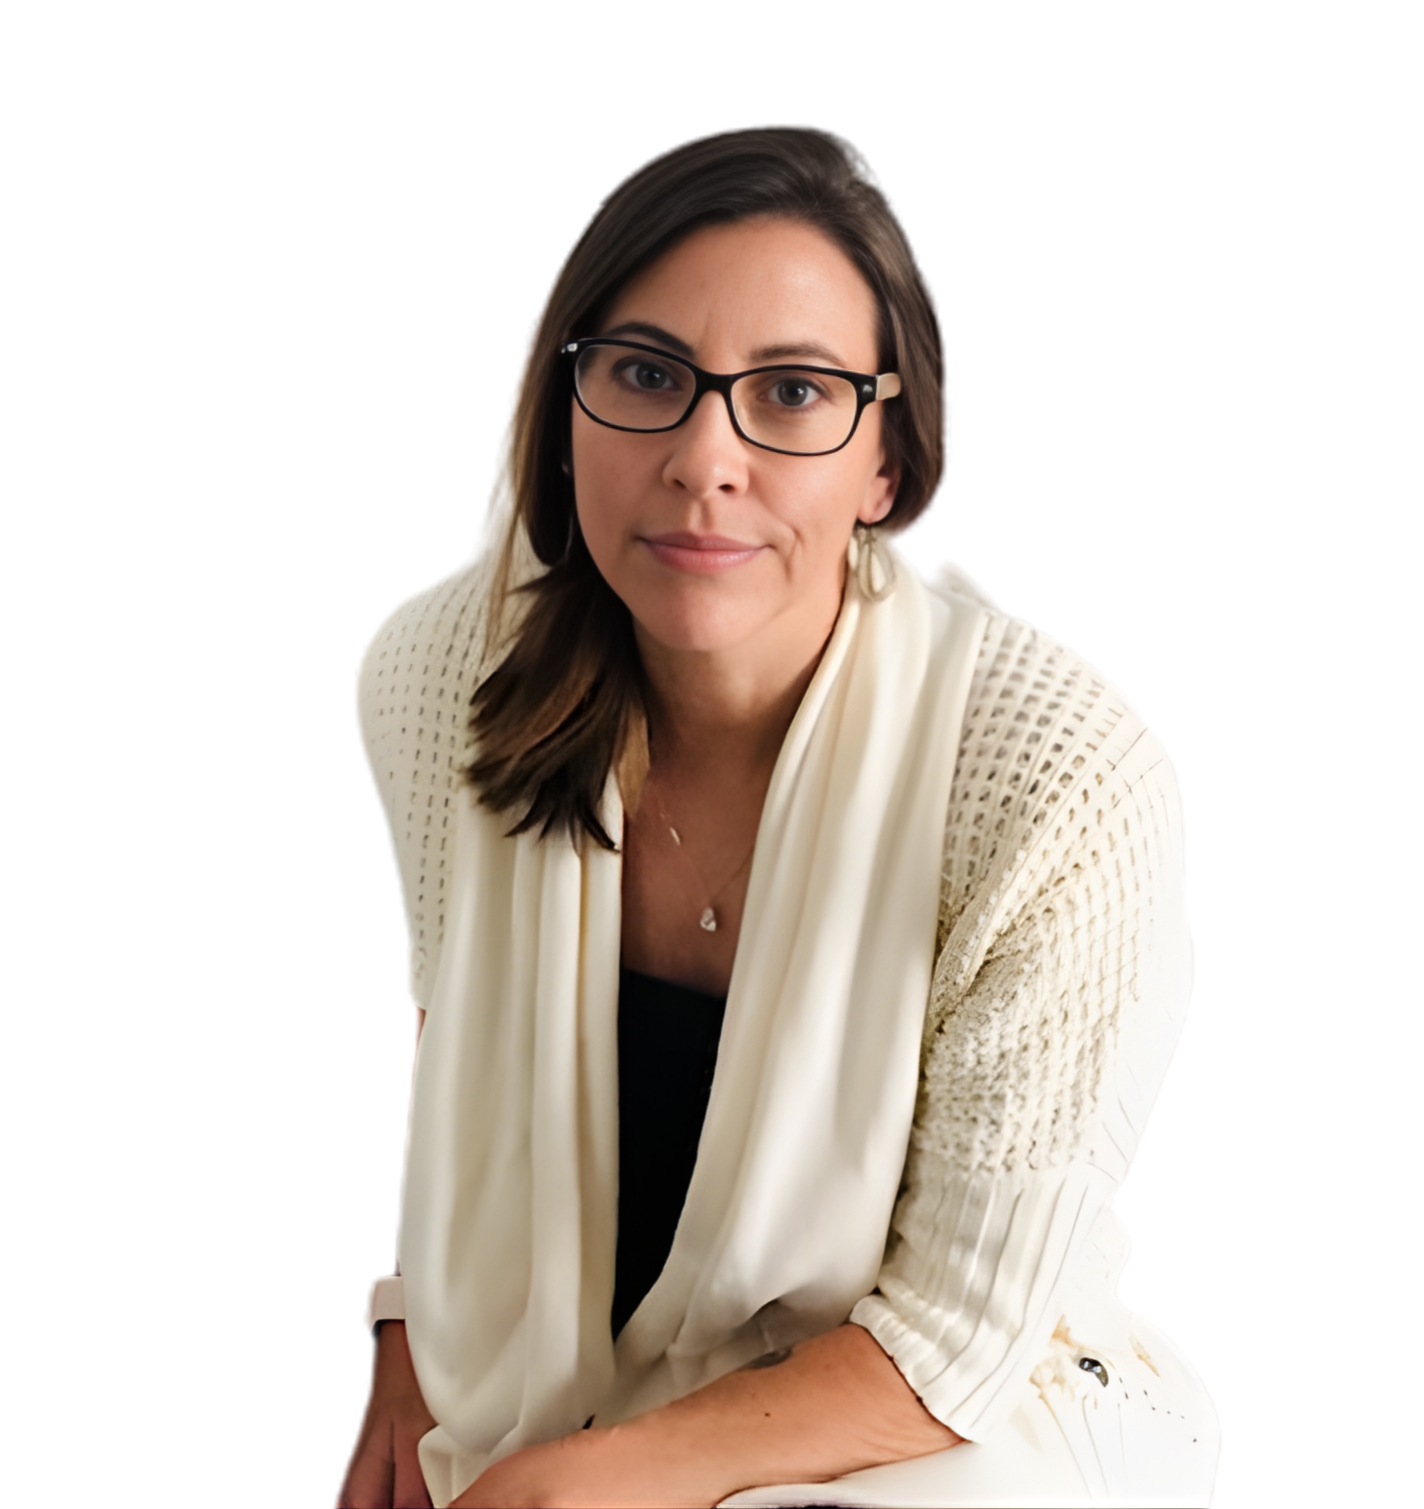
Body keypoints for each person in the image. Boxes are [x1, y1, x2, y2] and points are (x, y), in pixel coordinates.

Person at [341, 125, 1220, 1508]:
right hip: (597, 1375)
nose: (704, 459)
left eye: (794, 393)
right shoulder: (440, 674)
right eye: (644, 375)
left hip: (968, 1411)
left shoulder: (1056, 772)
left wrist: (574, 1488)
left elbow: (953, 1338)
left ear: (890, 462)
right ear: (560, 413)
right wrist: (409, 1329)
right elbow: (446, 1037)